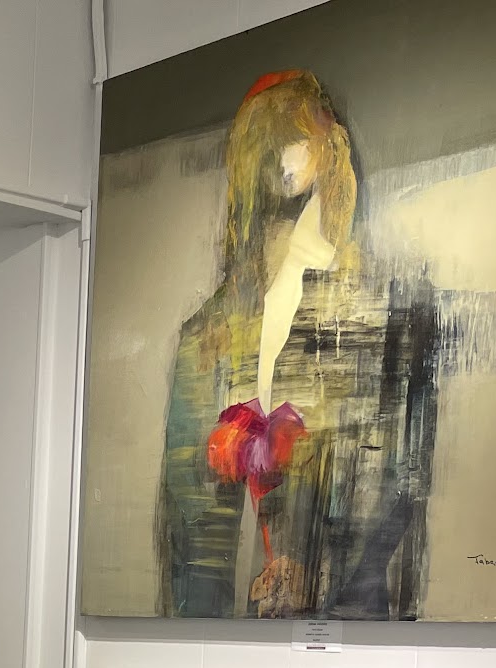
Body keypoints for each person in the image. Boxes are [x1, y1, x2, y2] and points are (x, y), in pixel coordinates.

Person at [156, 70, 440, 619]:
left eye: (299, 137)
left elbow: (396, 476)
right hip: (248, 613)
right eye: (270, 143)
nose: (284, 158)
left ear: (328, 146)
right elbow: (192, 516)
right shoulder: (209, 331)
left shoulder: (384, 308)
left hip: (349, 614)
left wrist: (314, 570)